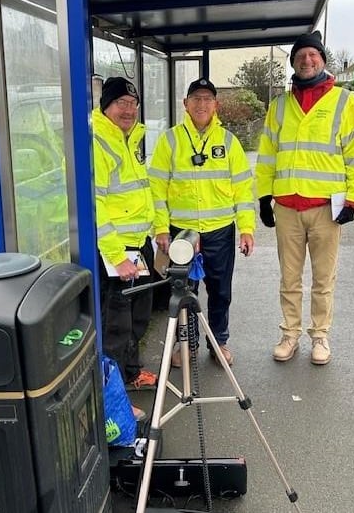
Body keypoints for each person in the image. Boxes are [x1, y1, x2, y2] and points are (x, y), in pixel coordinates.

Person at [256, 31, 354, 365]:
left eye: (313, 55)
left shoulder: (343, 101)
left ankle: (320, 336)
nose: (307, 60)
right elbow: (267, 156)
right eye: (301, 56)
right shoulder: (279, 105)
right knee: (289, 279)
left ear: (323, 60)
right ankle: (289, 335)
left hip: (326, 208)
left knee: (323, 280)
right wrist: (264, 197)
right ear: (293, 62)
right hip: (288, 208)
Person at [149, 77, 256, 367]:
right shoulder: (170, 140)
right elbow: (156, 188)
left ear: (216, 105)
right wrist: (160, 227)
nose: (202, 104)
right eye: (196, 98)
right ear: (185, 103)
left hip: (220, 231)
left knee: (221, 290)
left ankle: (219, 342)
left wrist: (246, 228)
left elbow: (243, 190)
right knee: (184, 291)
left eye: (208, 99)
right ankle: (188, 345)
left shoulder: (228, 142)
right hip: (181, 232)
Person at [92, 77, 157, 420]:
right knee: (115, 326)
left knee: (137, 316)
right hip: (115, 252)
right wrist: (117, 255)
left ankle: (131, 374)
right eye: (121, 103)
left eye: (133, 104)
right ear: (106, 106)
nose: (129, 110)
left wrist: (154, 233)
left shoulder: (129, 139)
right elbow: (95, 204)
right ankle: (112, 399)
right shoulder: (98, 141)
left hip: (138, 245)